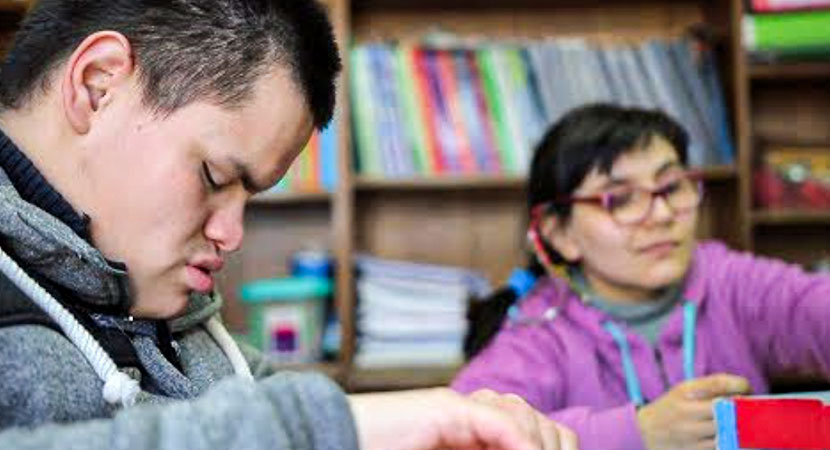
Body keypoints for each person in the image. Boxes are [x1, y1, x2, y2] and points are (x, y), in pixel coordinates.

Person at [0, 1, 578, 449]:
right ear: (99, 85)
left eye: (249, 196)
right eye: (214, 174)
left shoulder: (178, 320)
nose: (231, 234)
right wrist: (333, 428)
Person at [452, 103, 830, 450]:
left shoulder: (728, 279)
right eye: (619, 198)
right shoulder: (537, 332)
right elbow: (466, 436)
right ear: (560, 235)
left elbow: (812, 305)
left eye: (671, 187)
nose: (663, 214)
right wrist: (638, 432)